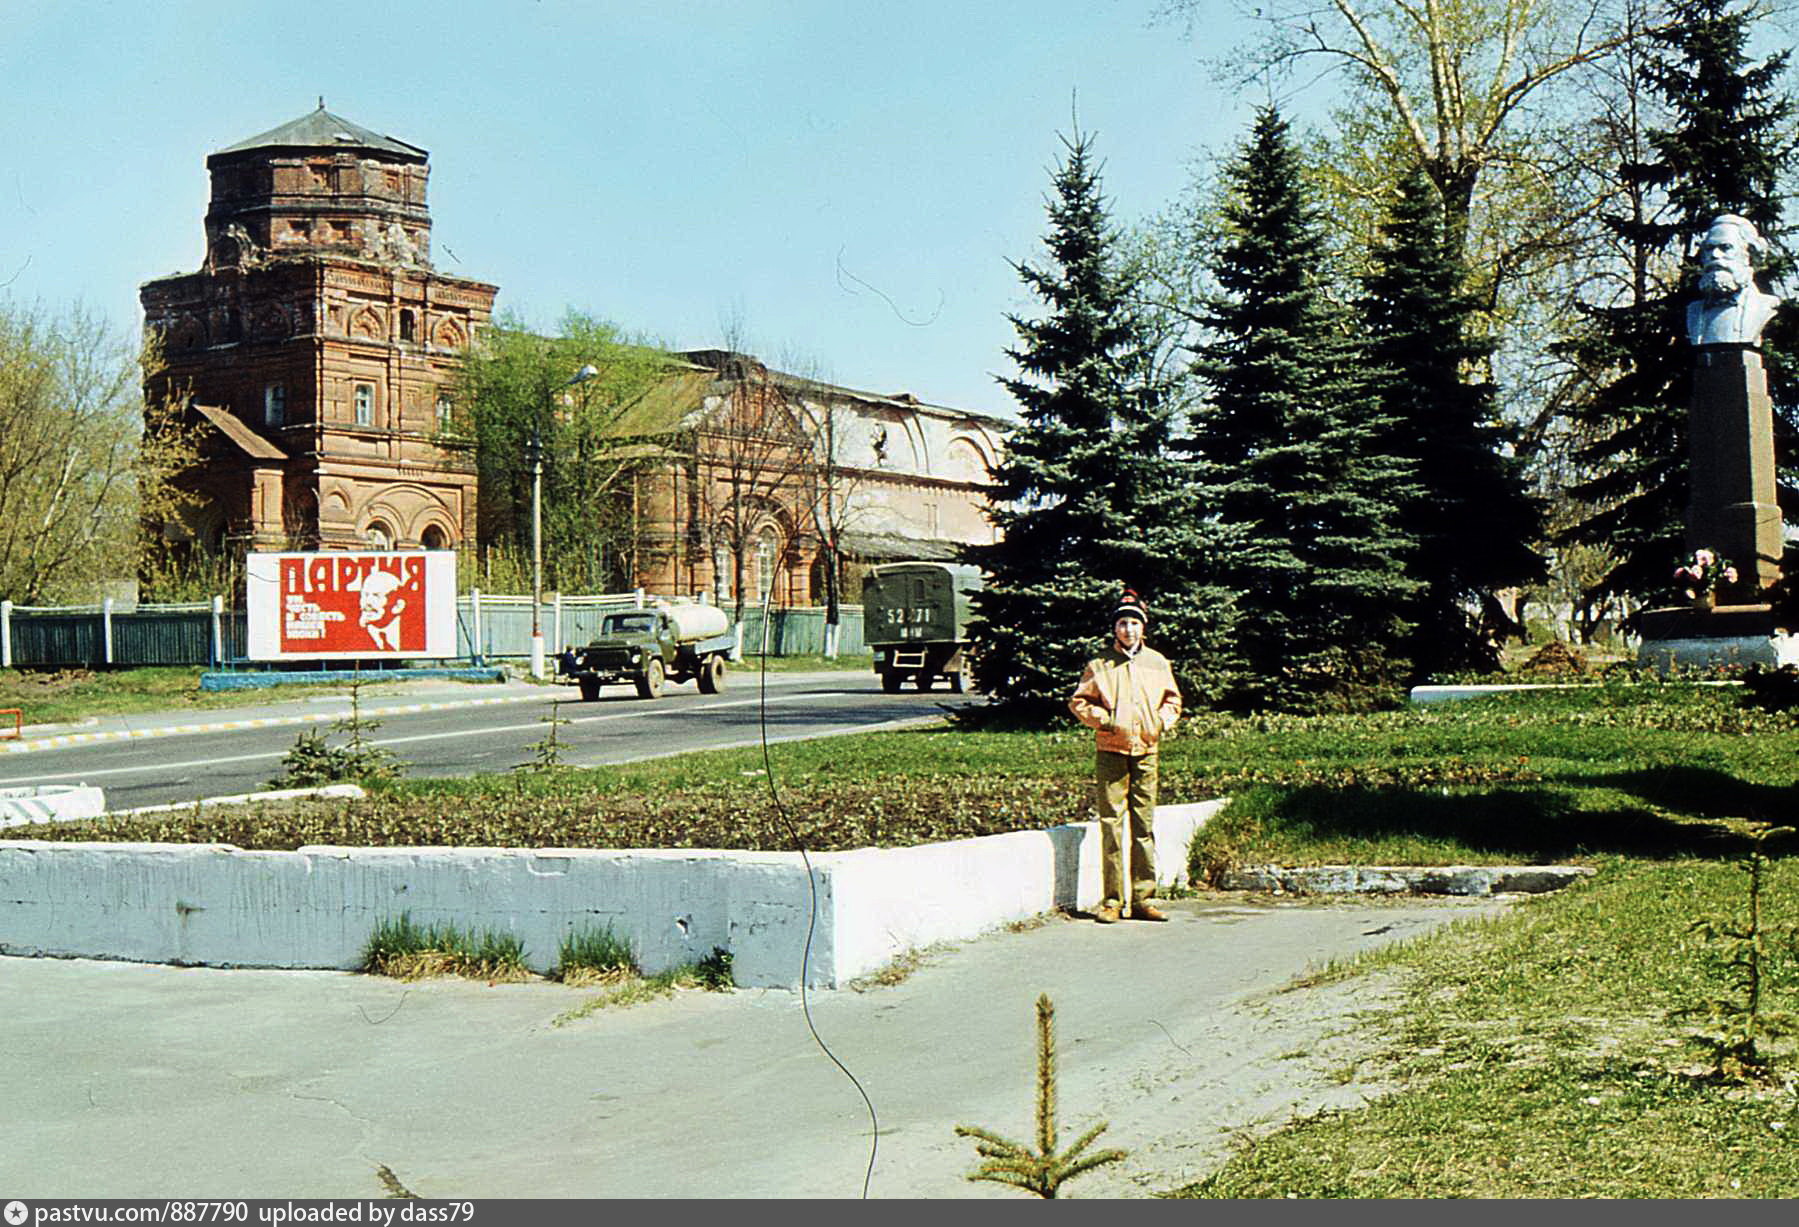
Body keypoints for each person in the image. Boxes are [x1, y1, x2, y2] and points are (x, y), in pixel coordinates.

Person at [1068, 588, 1182, 923]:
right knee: (1112, 825)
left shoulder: (1157, 663)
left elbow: (1173, 700)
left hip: (1146, 750)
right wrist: (1105, 721)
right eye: (1122, 623)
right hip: (1111, 751)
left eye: (1134, 623)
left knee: (1143, 825)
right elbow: (1080, 701)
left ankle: (1144, 899)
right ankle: (1112, 901)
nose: (1128, 629)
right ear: (1114, 628)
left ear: (1143, 627)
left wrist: (1159, 723)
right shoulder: (1099, 665)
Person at [1687, 214, 1782, 347]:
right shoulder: (1694, 311)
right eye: (1709, 248)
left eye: (1726, 247)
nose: (1714, 255)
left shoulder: (1763, 305)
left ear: (1749, 254)